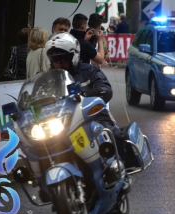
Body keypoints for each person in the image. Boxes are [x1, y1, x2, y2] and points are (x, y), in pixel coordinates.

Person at [44, 32, 130, 192]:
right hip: (61, 123)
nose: (58, 63)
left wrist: (86, 94)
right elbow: (35, 100)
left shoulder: (89, 71)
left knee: (112, 134)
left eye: (62, 58)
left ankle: (122, 173)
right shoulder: (48, 80)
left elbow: (106, 89)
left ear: (73, 56)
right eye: (55, 60)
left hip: (92, 118)